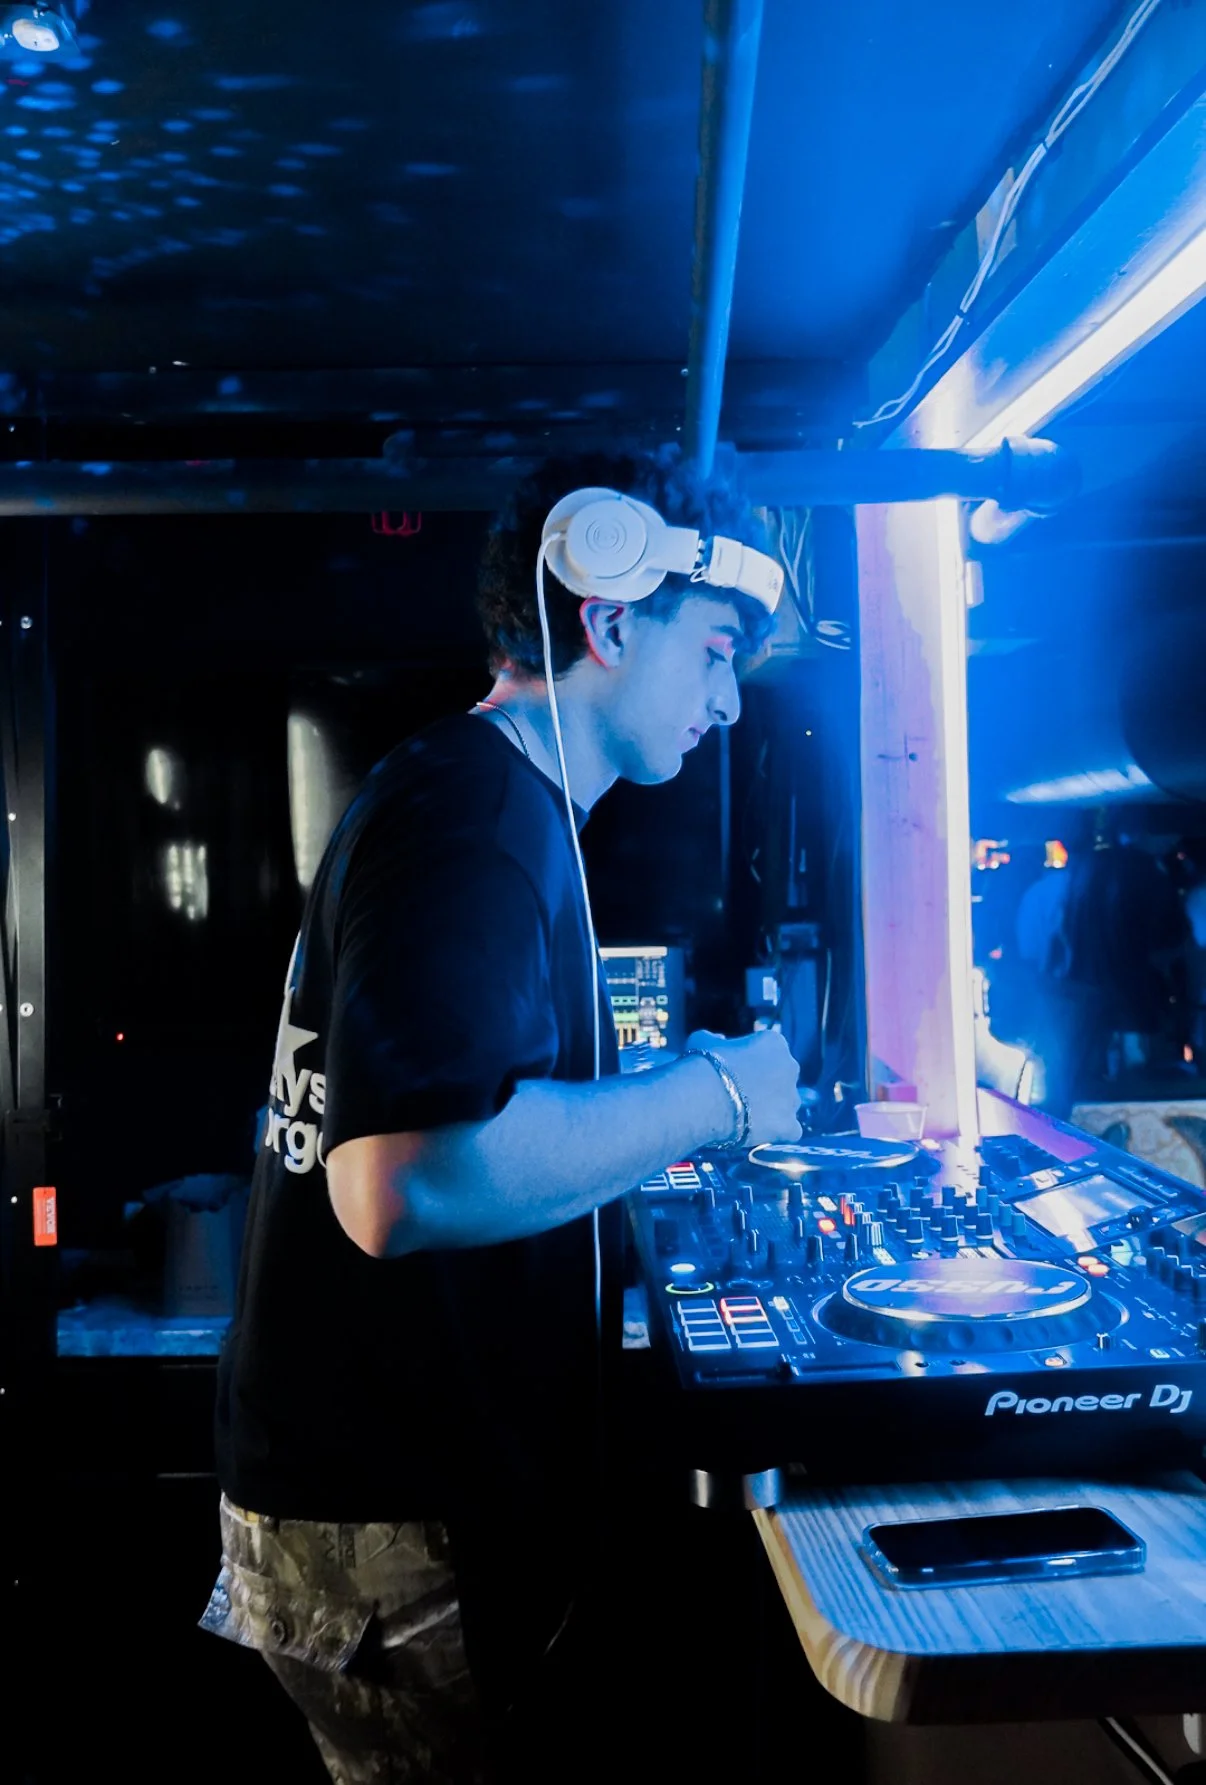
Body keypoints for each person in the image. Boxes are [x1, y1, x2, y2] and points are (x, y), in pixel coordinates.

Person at [200, 446, 803, 1783]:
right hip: (389, 1514)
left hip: (383, 1499)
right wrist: (714, 1097)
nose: (727, 702)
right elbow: (396, 1186)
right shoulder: (475, 817)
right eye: (711, 652)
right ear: (606, 616)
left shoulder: (484, 803)